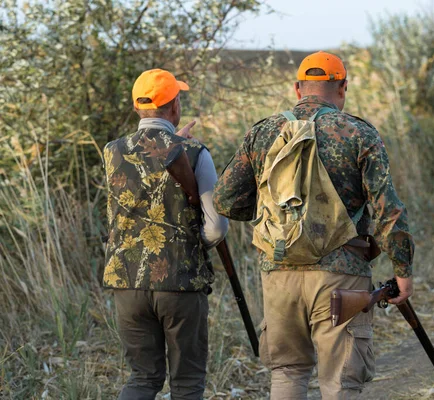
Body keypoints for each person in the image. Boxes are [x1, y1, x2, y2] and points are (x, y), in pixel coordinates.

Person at [213, 51, 415, 399]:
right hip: (341, 275)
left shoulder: (263, 132)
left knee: (288, 373)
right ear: (343, 87)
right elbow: (388, 210)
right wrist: (403, 270)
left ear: (297, 89)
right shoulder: (358, 133)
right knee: (340, 381)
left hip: (278, 273)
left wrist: (271, 219)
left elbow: (225, 200)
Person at [102, 68, 228, 399]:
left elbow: (145, 164)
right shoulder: (196, 152)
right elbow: (215, 227)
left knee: (142, 378)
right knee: (186, 383)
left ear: (136, 107)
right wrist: (191, 245)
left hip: (127, 282)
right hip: (180, 282)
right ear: (174, 107)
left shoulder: (112, 150)